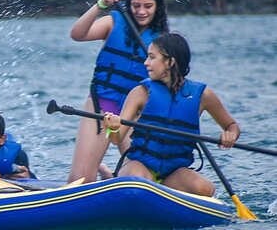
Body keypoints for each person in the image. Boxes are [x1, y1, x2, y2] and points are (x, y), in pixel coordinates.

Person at [102, 33, 240, 196]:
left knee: (206, 189)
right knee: (137, 183)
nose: (146, 63)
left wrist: (231, 134)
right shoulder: (140, 93)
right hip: (141, 166)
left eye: (152, 57)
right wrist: (112, 127)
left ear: (170, 62)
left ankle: (148, 188)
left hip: (174, 173)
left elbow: (232, 125)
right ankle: (111, 176)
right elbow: (117, 139)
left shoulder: (203, 96)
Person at [68, 0, 169, 183]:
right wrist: (100, 5)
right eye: (136, 5)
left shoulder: (163, 39)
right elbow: (77, 34)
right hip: (103, 104)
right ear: (128, 2)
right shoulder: (114, 21)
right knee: (80, 180)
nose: (141, 11)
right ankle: (100, 174)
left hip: (136, 111)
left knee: (148, 178)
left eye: (148, 6)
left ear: (157, 6)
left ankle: (111, 176)